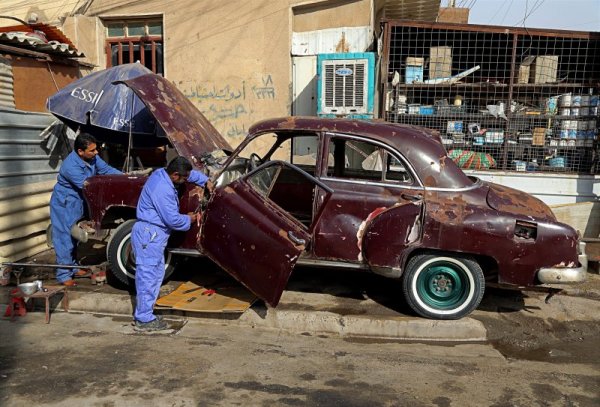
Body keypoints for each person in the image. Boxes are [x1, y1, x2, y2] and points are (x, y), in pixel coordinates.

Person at [132, 156, 212, 332]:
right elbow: (173, 220)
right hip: (150, 235)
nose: (186, 181)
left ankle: (146, 314)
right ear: (175, 175)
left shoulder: (163, 173)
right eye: (183, 178)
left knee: (155, 274)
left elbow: (189, 176)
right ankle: (143, 319)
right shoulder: (162, 189)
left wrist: (206, 181)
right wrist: (190, 218)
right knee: (148, 276)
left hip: (153, 235)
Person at [50, 133, 121, 286]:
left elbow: (106, 170)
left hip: (79, 200)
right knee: (64, 238)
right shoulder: (71, 166)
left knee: (75, 237)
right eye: (92, 150)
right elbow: (88, 186)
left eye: (96, 149)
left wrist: (125, 178)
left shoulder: (92, 157)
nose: (96, 153)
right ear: (80, 152)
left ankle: (73, 267)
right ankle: (63, 274)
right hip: (65, 202)